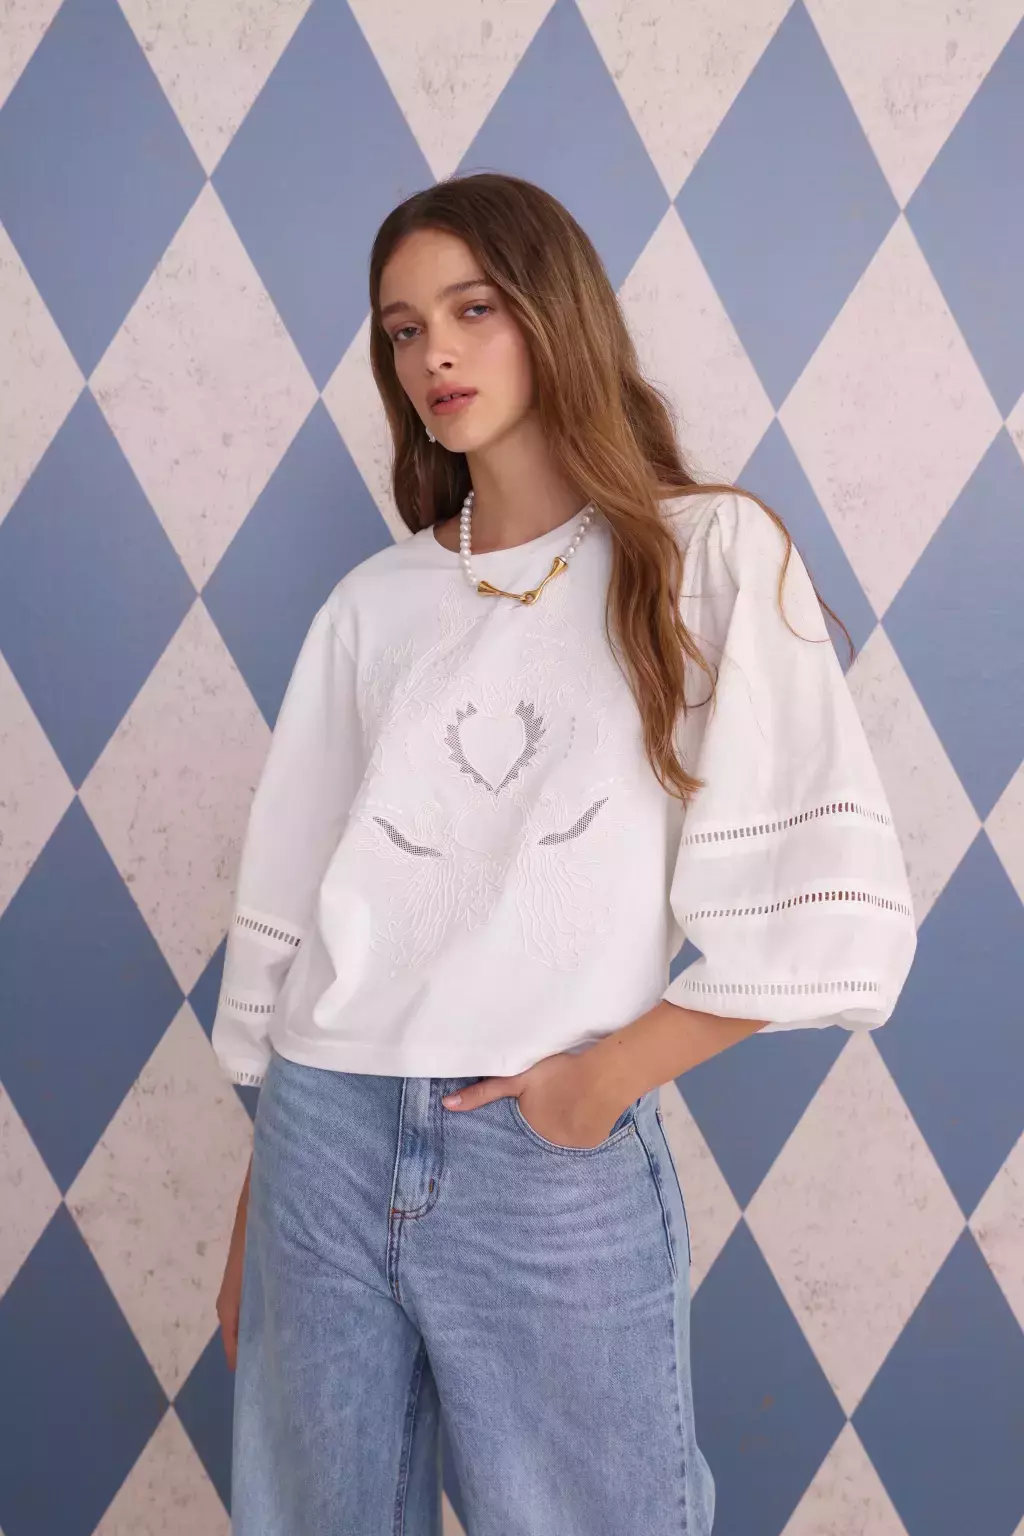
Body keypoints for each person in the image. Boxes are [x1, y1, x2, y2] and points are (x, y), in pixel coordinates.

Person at [211, 171, 917, 1535]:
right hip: (321, 1147)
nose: (434, 353)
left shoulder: (705, 552)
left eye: (472, 309)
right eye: (403, 329)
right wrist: (263, 1205)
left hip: (544, 1152)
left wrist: (601, 1084)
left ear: (556, 314)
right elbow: (305, 916)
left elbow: (829, 907)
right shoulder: (374, 607)